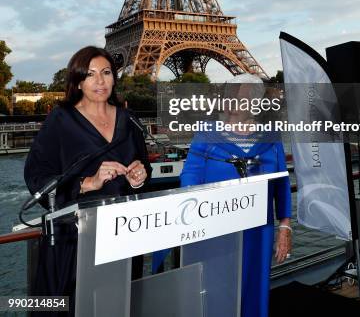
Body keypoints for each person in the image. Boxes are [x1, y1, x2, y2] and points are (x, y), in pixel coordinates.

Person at [24, 46, 152, 315]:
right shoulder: (61, 120)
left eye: (106, 73)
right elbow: (36, 176)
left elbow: (143, 165)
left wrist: (139, 176)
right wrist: (88, 182)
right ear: (79, 81)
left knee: (119, 304)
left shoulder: (129, 120)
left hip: (124, 232)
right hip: (76, 237)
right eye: (91, 74)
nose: (100, 81)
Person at [180, 74, 292, 317]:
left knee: (254, 286)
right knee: (214, 288)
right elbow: (190, 176)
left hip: (258, 231)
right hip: (216, 228)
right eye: (233, 96)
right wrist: (197, 212)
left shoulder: (271, 139)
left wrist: (285, 228)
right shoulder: (207, 134)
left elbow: (282, 185)